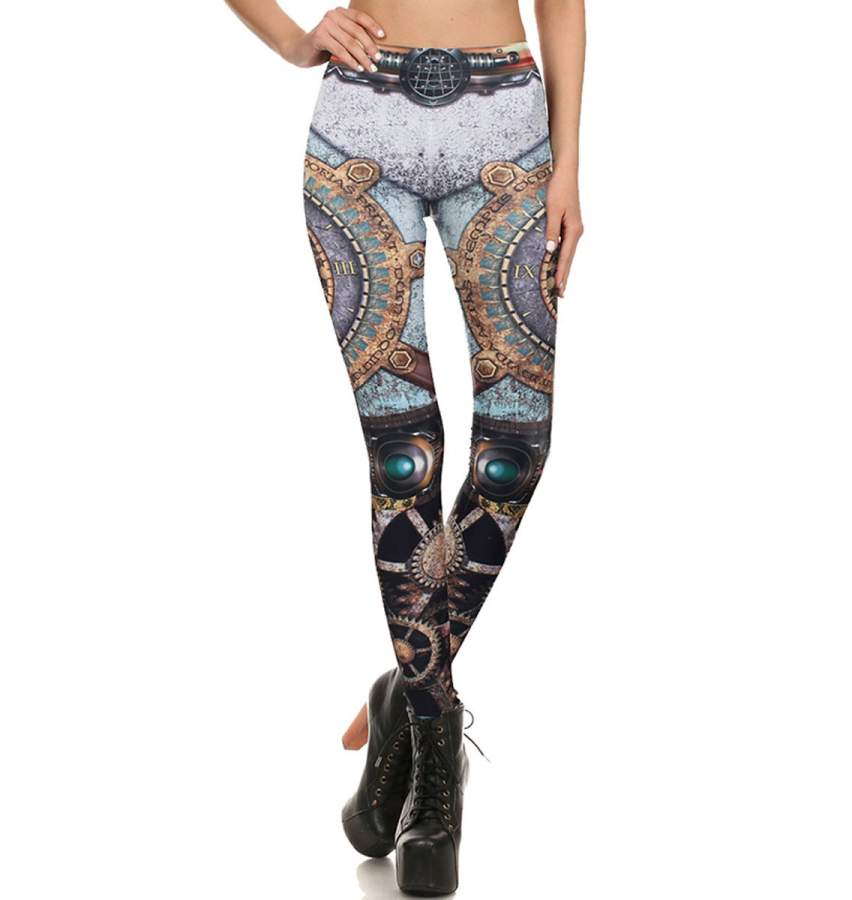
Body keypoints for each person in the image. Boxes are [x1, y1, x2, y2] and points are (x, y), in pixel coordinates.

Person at [225, 1, 585, 892]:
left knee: (516, 443)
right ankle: (434, 753)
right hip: (360, 130)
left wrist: (570, 162)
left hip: (508, 128)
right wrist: (291, 39)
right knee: (404, 453)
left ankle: (405, 685)